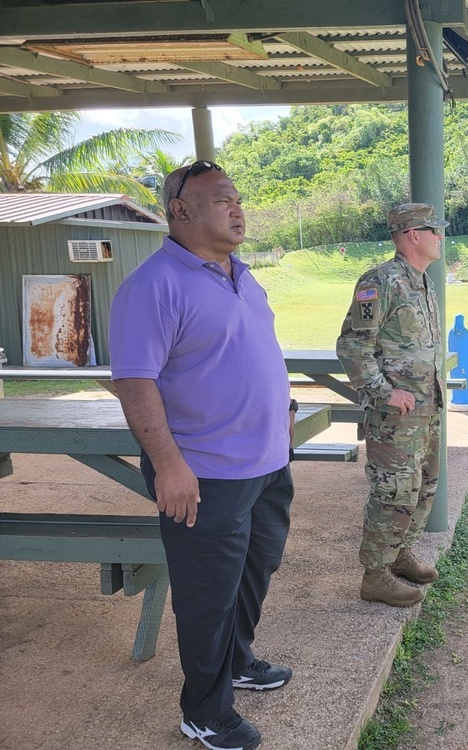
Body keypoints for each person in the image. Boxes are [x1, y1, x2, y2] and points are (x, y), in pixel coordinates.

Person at [109, 161, 297, 750]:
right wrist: (169, 465)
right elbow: (136, 384)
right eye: (221, 200)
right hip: (203, 473)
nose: (237, 209)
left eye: (238, 198)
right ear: (181, 210)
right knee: (207, 595)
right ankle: (205, 711)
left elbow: (253, 351)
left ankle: (237, 664)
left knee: (253, 574)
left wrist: (284, 410)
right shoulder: (152, 285)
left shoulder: (244, 275)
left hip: (266, 465)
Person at [336, 202, 448, 608]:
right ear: (412, 234)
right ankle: (375, 575)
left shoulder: (422, 282)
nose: (441, 237)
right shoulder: (380, 281)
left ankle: (399, 552)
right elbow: (351, 346)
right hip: (394, 418)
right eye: (434, 230)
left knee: (424, 487)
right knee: (394, 491)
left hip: (426, 411)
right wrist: (384, 392)